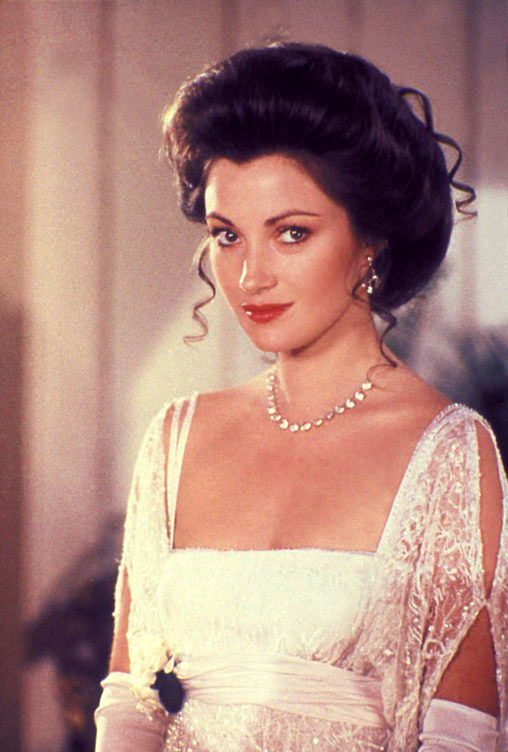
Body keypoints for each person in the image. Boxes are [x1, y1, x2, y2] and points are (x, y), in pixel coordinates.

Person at [94, 43, 507, 751]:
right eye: (227, 236)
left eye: (292, 233)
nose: (250, 276)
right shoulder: (177, 438)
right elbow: (131, 709)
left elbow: (460, 737)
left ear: (370, 240)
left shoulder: (449, 453)